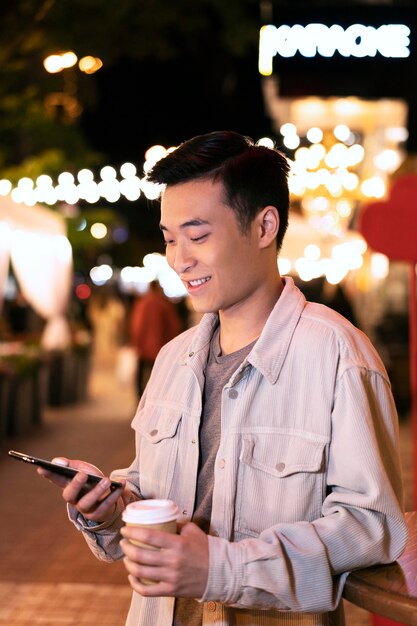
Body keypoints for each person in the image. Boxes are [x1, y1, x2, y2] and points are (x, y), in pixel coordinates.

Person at [38, 130, 408, 626]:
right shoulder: (172, 360)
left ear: (264, 226)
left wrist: (222, 567)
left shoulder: (339, 356)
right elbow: (153, 495)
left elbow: (371, 528)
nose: (179, 259)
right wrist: (110, 507)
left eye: (198, 235)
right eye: (170, 239)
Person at [129, 280, 182, 397]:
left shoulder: (143, 303)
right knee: (160, 377)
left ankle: (140, 400)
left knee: (141, 376)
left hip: (144, 349)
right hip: (162, 348)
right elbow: (174, 326)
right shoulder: (164, 304)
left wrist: (136, 344)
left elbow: (137, 326)